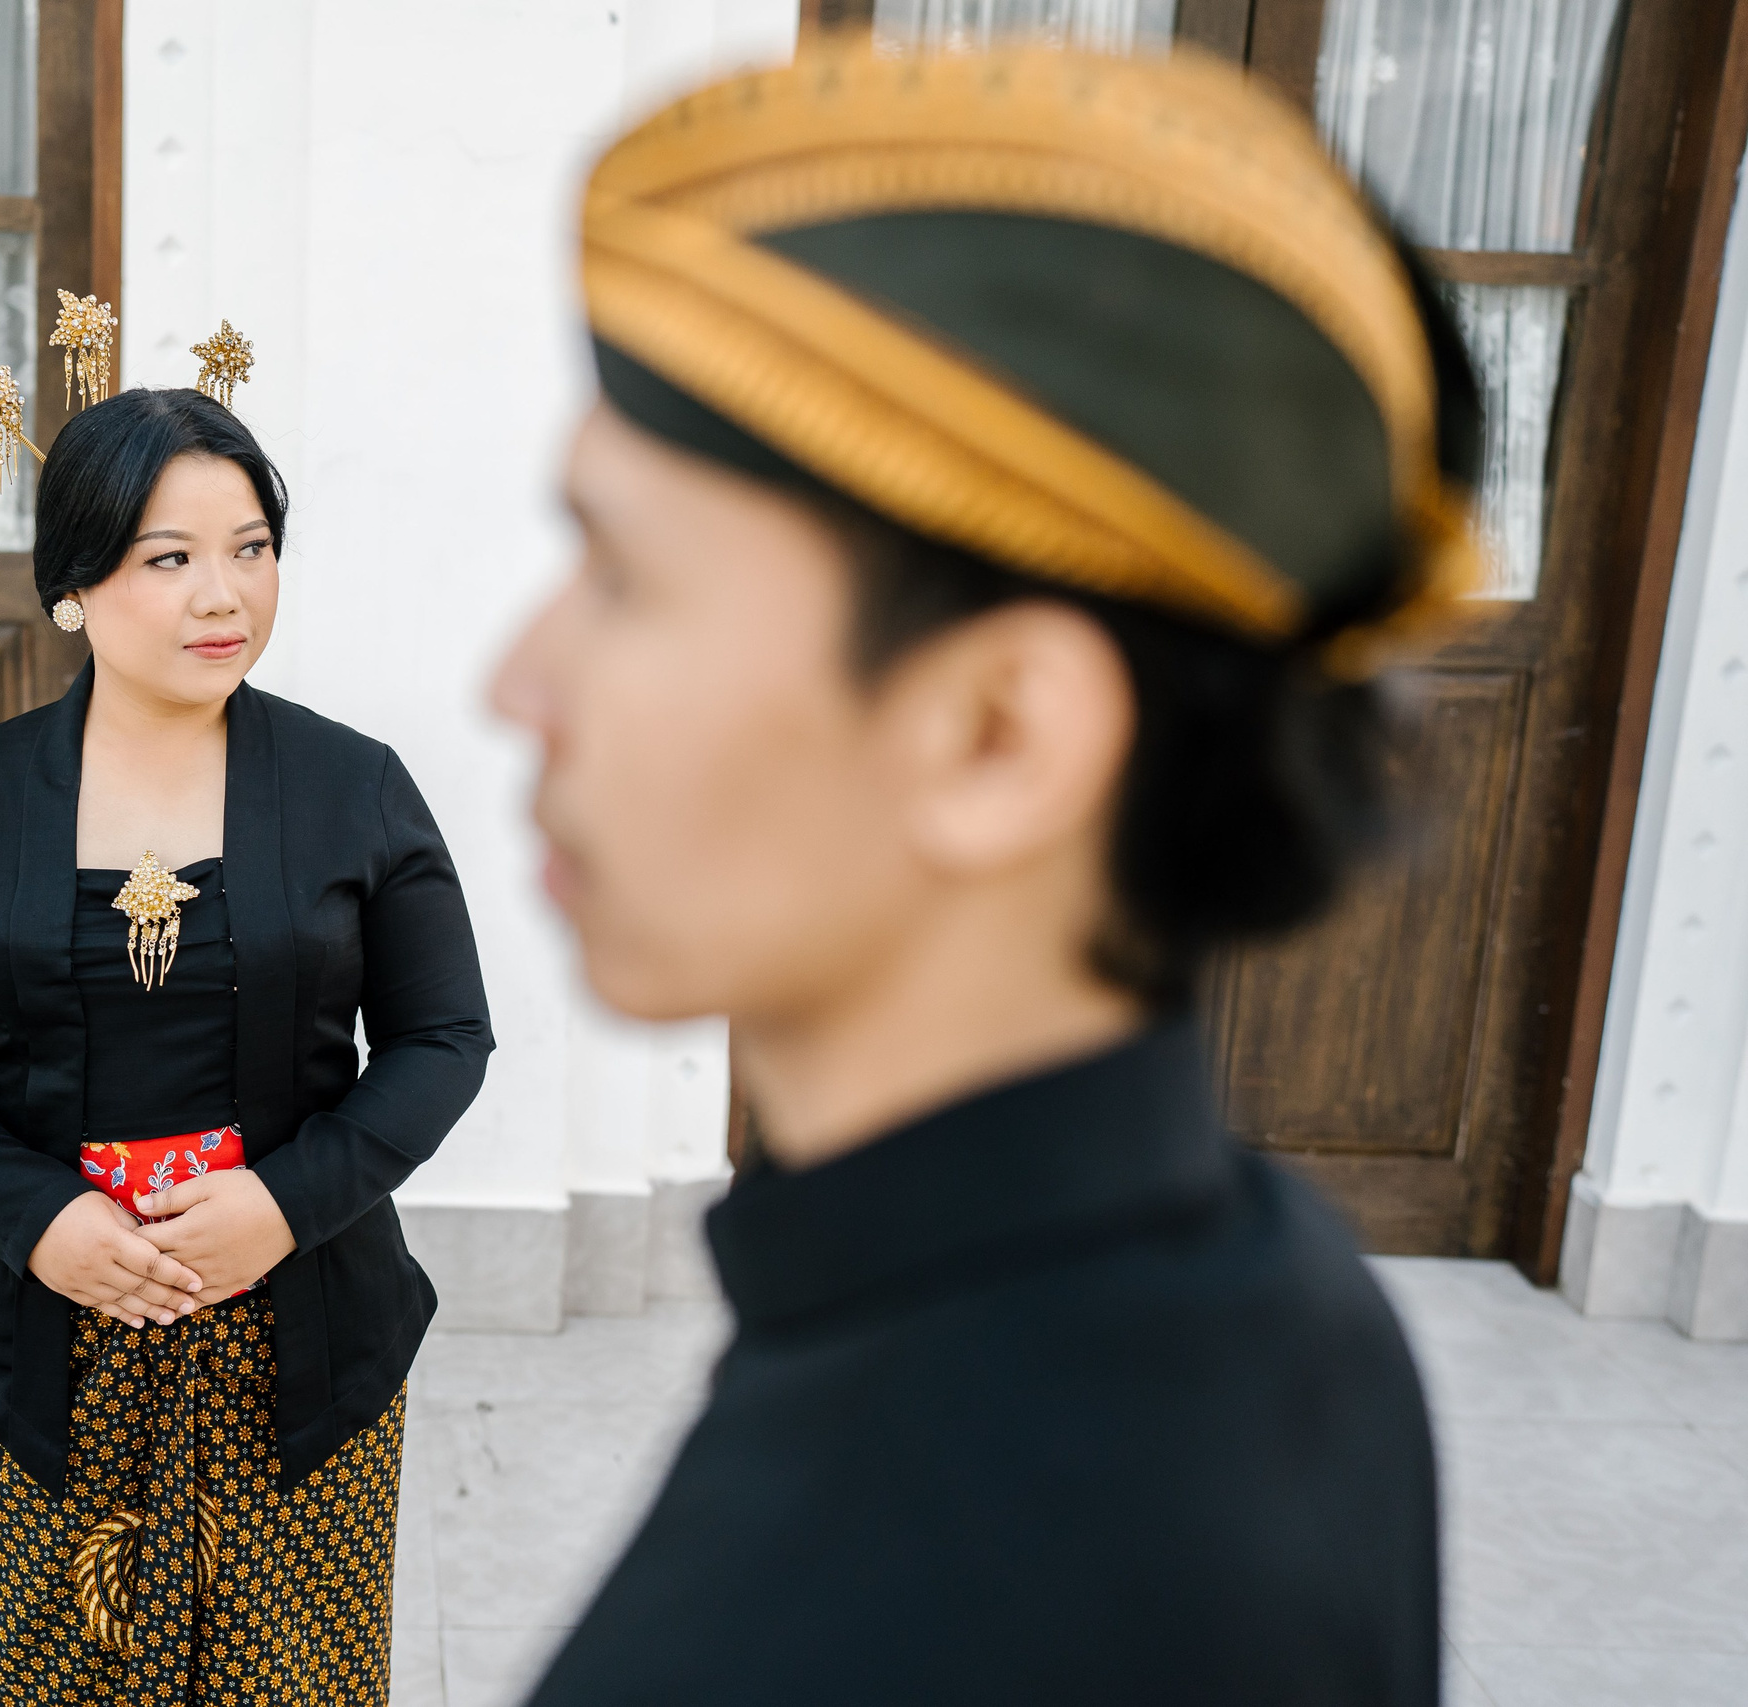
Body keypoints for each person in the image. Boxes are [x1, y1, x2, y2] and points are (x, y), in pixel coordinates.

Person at [492, 41, 1480, 1706]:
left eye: (623, 576)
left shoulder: (827, 1624)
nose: (519, 684)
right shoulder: (1288, 1298)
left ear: (1000, 735)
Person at [0, 363, 492, 1703]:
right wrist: (38, 1218)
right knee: (61, 1679)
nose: (223, 594)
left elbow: (443, 1038)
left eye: (250, 550)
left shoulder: (353, 787)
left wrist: (285, 1207)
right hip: (34, 1340)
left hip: (298, 1344)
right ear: (73, 581)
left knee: (293, 1683)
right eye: (169, 556)